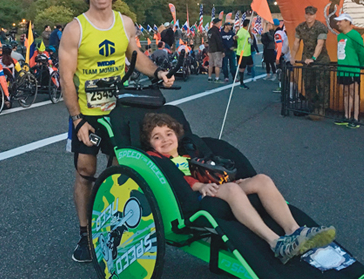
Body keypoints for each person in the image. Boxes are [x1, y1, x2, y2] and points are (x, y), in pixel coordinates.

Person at [59, 0, 174, 263]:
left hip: (118, 109)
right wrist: (77, 120)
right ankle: (85, 235)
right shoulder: (75, 29)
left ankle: (111, 225)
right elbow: (65, 78)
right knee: (85, 171)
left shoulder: (125, 23)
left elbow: (135, 58)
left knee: (118, 169)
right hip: (87, 113)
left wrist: (159, 71)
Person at [141, 112, 336, 264]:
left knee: (262, 180)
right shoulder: (157, 160)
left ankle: (294, 230)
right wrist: (200, 185)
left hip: (219, 187)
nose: (165, 139)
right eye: (157, 137)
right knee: (233, 191)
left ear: (177, 135)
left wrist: (232, 180)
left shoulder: (188, 156)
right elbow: (172, 179)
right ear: (150, 144)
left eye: (168, 133)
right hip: (195, 198)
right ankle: (276, 243)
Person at [291, 6, 330, 119]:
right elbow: (296, 43)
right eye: (307, 14)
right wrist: (292, 57)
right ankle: (314, 107)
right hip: (306, 61)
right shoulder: (301, 27)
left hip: (321, 61)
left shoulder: (320, 27)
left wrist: (313, 58)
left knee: (322, 86)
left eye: (311, 14)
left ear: (315, 15)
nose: (309, 16)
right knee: (308, 85)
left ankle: (321, 109)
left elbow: (320, 44)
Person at [334, 14, 364, 129]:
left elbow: (361, 51)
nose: (338, 23)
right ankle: (347, 115)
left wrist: (360, 65)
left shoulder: (355, 35)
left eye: (340, 21)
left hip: (352, 69)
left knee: (353, 93)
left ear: (347, 22)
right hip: (342, 69)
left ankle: (355, 117)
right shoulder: (340, 36)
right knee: (346, 93)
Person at [234, 19, 253, 89]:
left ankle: (244, 76)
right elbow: (237, 36)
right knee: (242, 68)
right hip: (242, 53)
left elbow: (250, 41)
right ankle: (241, 82)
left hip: (248, 53)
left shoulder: (247, 32)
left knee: (251, 64)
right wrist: (235, 37)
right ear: (247, 25)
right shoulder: (241, 31)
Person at [206, 18, 223, 82]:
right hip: (217, 50)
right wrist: (222, 50)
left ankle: (209, 77)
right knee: (217, 65)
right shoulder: (216, 31)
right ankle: (217, 78)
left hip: (211, 49)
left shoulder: (209, 31)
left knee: (210, 64)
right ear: (217, 23)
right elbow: (219, 42)